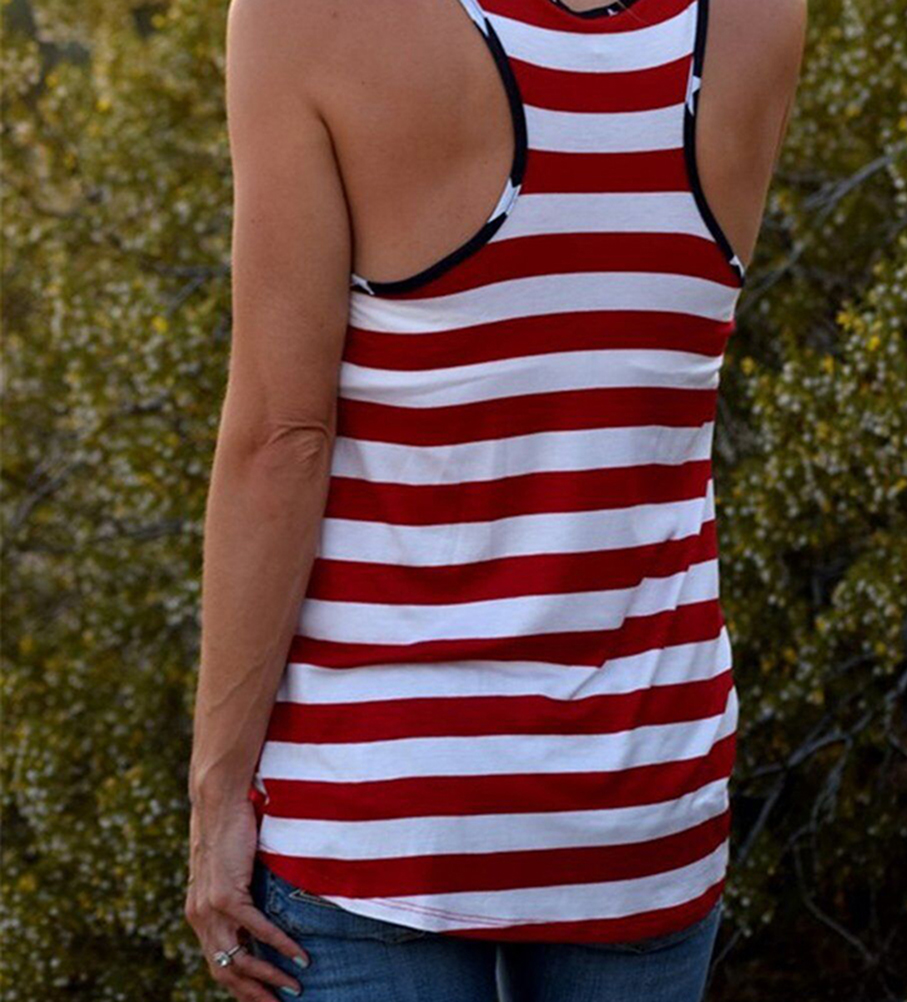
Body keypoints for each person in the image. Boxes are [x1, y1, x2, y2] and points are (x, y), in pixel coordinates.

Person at [184, 0, 806, 999]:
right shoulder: (758, 16)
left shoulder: (305, 18)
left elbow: (281, 439)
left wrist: (217, 797)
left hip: (381, 811)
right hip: (640, 797)